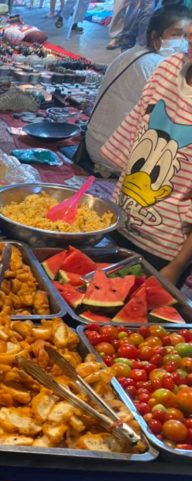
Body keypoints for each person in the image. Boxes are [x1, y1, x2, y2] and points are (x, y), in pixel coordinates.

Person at [101, 22, 192, 287]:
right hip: (118, 220)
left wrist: (175, 268)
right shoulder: (169, 67)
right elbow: (135, 145)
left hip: (166, 249)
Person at [86, 4, 190, 173]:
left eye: (188, 36)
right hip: (117, 156)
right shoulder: (158, 66)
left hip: (97, 143)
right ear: (155, 36)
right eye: (176, 34)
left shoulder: (133, 53)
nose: (183, 42)